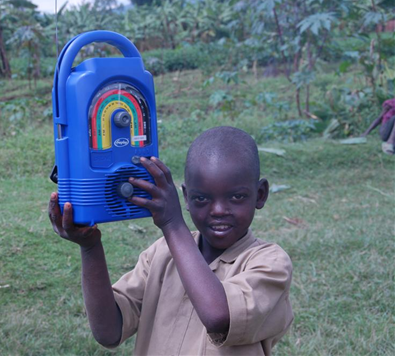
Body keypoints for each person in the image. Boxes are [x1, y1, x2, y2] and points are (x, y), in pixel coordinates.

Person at [48, 126, 293, 355]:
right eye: (201, 199)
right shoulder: (161, 254)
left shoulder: (270, 263)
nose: (218, 210)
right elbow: (108, 332)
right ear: (185, 197)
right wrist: (90, 247)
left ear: (260, 195)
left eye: (237, 197)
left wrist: (173, 224)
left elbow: (219, 316)